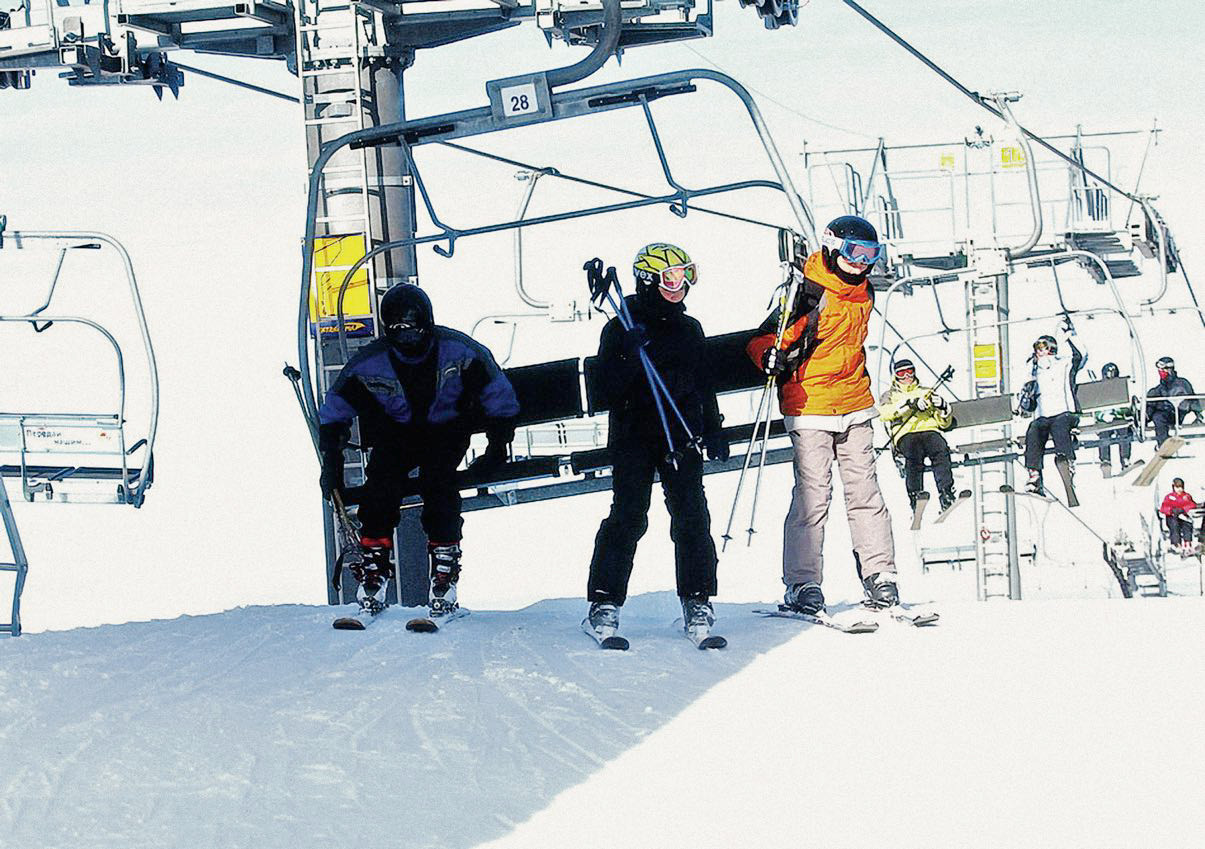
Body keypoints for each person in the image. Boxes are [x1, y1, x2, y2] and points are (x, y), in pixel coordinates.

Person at [317, 284, 519, 616]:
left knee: (438, 481)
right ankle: (374, 566)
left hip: (446, 430)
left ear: (427, 323)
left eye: (413, 329)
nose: (407, 338)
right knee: (381, 483)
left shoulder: (460, 351)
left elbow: (500, 397)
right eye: (398, 330)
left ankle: (444, 567)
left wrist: (497, 448)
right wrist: (332, 463)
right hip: (398, 434)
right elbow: (335, 411)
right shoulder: (370, 363)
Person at [746, 215, 897, 613]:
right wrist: (769, 355)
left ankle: (880, 574)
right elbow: (763, 338)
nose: (861, 263)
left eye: (870, 255)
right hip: (810, 405)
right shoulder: (808, 291)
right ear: (832, 249)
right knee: (813, 497)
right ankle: (803, 582)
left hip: (855, 403)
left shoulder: (864, 292)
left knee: (866, 492)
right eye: (853, 252)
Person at [586, 243, 728, 639]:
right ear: (648, 280)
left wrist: (713, 426)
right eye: (671, 277)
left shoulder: (689, 329)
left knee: (692, 515)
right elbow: (607, 390)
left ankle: (697, 597)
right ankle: (604, 601)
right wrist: (628, 356)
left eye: (685, 275)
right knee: (629, 515)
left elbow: (703, 381)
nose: (680, 285)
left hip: (680, 433)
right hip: (634, 434)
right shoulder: (620, 326)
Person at [877, 358, 957, 512]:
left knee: (939, 449)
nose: (906, 377)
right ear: (895, 376)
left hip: (929, 430)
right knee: (914, 454)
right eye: (901, 373)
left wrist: (943, 408)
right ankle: (915, 494)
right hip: (906, 433)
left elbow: (943, 424)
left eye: (909, 372)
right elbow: (884, 413)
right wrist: (908, 405)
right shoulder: (890, 395)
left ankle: (946, 491)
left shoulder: (926, 392)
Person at [1021, 322, 1084, 495]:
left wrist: (1069, 335)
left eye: (1044, 347)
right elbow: (1025, 394)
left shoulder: (1064, 364)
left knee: (1060, 426)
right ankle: (1034, 475)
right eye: (1037, 348)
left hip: (1064, 412)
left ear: (1052, 349)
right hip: (1043, 416)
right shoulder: (1032, 370)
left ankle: (1067, 462)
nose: (1040, 352)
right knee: (1034, 430)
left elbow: (1080, 355)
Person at [1146, 356, 1202, 447]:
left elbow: (1190, 401)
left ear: (1169, 370)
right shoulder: (1159, 389)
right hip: (1166, 414)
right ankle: (1141, 420)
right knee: (1152, 399)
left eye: (1163, 370)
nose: (1161, 372)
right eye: (1159, 370)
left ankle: (1163, 444)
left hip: (1176, 413)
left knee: (1158, 416)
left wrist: (1197, 414)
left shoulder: (1181, 383)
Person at [1094, 362, 1133, 475]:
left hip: (1119, 419)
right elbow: (1096, 409)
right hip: (1105, 420)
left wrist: (1118, 413)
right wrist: (1103, 416)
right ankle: (1105, 460)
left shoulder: (1121, 389)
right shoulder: (1099, 390)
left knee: (1124, 433)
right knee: (1104, 434)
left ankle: (1125, 458)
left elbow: (1126, 406)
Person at [1159, 477, 1198, 557]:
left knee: (1187, 523)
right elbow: (1163, 508)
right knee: (1174, 525)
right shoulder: (1169, 497)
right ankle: (1176, 544)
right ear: (1173, 487)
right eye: (1177, 487)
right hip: (1172, 517)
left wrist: (1183, 509)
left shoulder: (1186, 496)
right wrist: (1171, 510)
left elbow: (1192, 505)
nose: (1179, 489)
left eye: (1181, 487)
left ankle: (1188, 543)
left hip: (1182, 516)